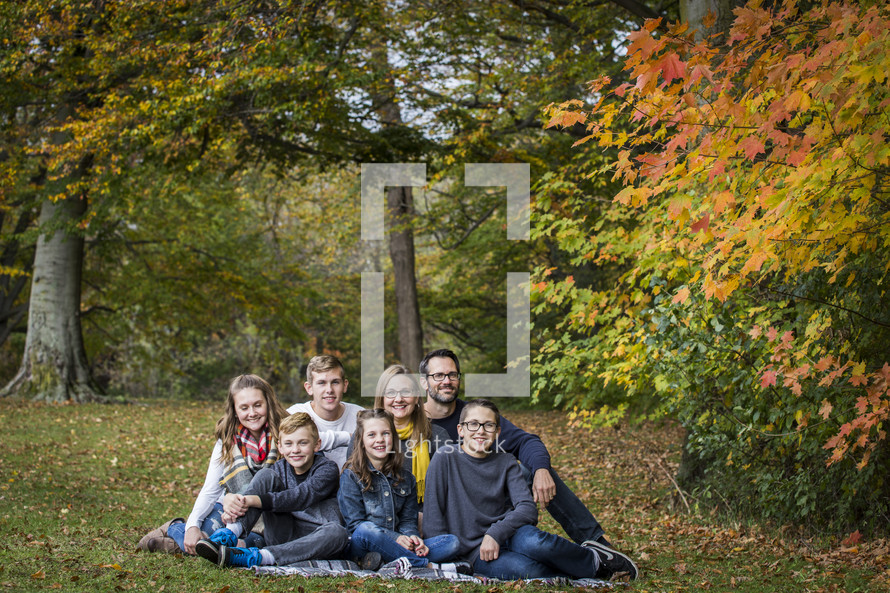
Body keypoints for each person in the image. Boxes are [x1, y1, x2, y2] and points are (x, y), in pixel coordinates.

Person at [420, 348, 638, 578]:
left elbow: (526, 442)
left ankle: (597, 546)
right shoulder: (416, 423)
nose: (446, 381)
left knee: (534, 472)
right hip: (437, 508)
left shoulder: (476, 415)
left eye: (452, 375)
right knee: (526, 568)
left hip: (496, 506)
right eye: (439, 376)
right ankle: (577, 568)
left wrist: (541, 470)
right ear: (424, 382)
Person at [138, 374, 289, 555]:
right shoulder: (227, 440)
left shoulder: (286, 434)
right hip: (229, 509)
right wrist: (193, 525)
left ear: (268, 403)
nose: (252, 413)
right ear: (234, 410)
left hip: (267, 513)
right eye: (244, 407)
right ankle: (177, 528)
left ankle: (175, 542)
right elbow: (211, 489)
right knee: (208, 540)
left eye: (258, 405)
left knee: (249, 545)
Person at [195, 412, 349, 568]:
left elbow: (301, 496)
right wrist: (236, 502)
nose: (295, 450)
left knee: (339, 533)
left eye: (303, 443)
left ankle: (260, 557)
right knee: (265, 474)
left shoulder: (327, 469)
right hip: (283, 534)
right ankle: (230, 534)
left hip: (317, 538)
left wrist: (255, 500)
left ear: (317, 444)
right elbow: (256, 491)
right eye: (288, 444)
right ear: (280, 447)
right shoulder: (278, 469)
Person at [338, 409, 461, 571]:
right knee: (366, 529)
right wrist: (396, 539)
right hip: (364, 545)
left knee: (451, 542)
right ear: (360, 440)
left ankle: (388, 562)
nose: (380, 440)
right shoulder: (351, 476)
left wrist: (413, 539)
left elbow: (408, 521)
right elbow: (356, 526)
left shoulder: (406, 478)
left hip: (400, 544)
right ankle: (427, 566)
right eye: (371, 435)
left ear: (393, 438)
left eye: (386, 433)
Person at [347, 364, 451, 510]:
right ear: (381, 398)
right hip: (374, 520)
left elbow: (450, 490)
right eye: (390, 393)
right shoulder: (364, 435)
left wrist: (425, 518)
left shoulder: (437, 436)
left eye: (405, 392)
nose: (398, 399)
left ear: (416, 398)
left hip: (426, 518)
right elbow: (352, 486)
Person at [287, 354, 363, 470]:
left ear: (345, 385)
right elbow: (292, 443)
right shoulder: (295, 414)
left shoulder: (360, 416)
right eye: (321, 383)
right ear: (309, 388)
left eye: (335, 382)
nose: (329, 390)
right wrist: (348, 437)